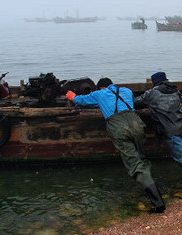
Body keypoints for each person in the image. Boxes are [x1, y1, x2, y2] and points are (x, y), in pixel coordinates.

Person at [65, 78, 166, 213]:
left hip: (119, 127)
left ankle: (158, 202)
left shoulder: (99, 94)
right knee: (141, 158)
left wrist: (72, 96)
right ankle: (149, 184)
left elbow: (80, 100)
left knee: (135, 164)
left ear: (101, 88)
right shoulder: (127, 91)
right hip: (137, 124)